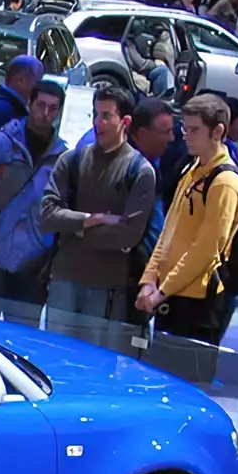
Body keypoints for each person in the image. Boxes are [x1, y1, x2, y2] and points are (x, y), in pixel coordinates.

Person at [40, 83, 156, 341]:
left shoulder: (139, 171)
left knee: (94, 357)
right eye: (95, 114)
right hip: (64, 278)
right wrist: (89, 220)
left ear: (125, 122)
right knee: (54, 351)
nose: (97, 123)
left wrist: (75, 230)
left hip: (106, 286)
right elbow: (47, 215)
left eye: (106, 116)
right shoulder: (71, 160)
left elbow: (129, 234)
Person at [136, 93, 238, 357]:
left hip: (197, 306)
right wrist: (149, 279)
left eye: (194, 130)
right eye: (185, 128)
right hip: (170, 297)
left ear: (218, 131)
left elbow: (205, 251)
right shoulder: (192, 168)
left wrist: (161, 291)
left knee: (182, 377)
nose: (185, 136)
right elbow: (168, 231)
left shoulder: (225, 183)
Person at [0, 80, 67, 321]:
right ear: (29, 104)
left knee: (24, 333)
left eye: (52, 108)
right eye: (40, 105)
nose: (45, 113)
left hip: (34, 262)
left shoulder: (62, 159)